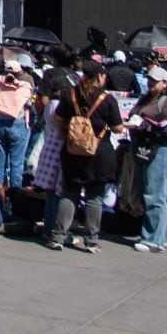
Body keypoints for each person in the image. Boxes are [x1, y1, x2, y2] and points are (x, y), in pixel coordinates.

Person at [47, 61, 122, 252]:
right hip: (98, 152)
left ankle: (58, 236)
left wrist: (68, 137)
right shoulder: (106, 99)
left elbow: (58, 118)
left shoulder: (70, 94)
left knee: (69, 192)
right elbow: (117, 127)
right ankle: (91, 240)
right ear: (99, 77)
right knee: (94, 197)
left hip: (72, 151)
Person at [131, 65, 167, 252]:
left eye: (154, 82)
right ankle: (154, 236)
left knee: (155, 194)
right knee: (148, 192)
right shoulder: (146, 99)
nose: (150, 85)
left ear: (165, 83)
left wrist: (149, 125)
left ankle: (155, 239)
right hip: (145, 149)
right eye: (149, 81)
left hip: (161, 150)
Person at [0, 58, 34, 191]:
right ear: (19, 73)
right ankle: (15, 195)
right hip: (17, 124)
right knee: (16, 162)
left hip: (0, 124)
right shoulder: (23, 87)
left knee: (0, 161)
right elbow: (29, 105)